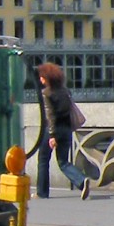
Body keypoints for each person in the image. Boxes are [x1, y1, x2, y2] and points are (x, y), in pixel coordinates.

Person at [37, 62, 90, 200]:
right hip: (67, 129)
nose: (40, 79)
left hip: (53, 130)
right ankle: (81, 180)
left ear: (47, 78)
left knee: (43, 159)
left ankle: (42, 193)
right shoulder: (65, 91)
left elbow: (50, 115)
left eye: (42, 77)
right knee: (63, 162)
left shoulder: (46, 93)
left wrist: (51, 135)